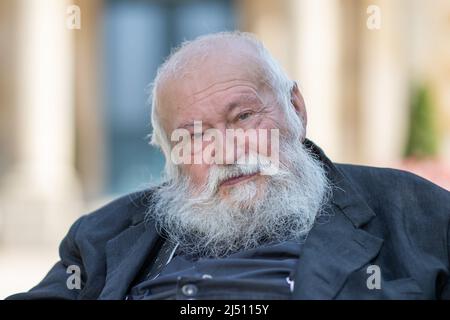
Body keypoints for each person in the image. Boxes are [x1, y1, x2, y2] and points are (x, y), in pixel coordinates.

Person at [8, 32, 450, 300]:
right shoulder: (100, 237)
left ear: (296, 107)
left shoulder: (416, 213)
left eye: (244, 117)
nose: (230, 149)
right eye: (196, 136)